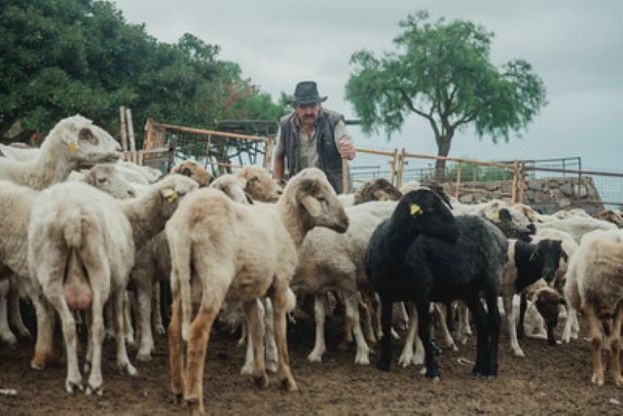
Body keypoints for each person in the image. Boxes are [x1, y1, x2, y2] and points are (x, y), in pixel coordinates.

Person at [272, 81, 356, 193]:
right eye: (303, 107)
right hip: (301, 189)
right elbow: (278, 157)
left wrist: (349, 152)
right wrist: (277, 187)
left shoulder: (334, 121)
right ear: (295, 108)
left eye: (312, 106)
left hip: (332, 190)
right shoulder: (286, 125)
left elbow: (349, 153)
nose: (309, 112)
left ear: (319, 105)